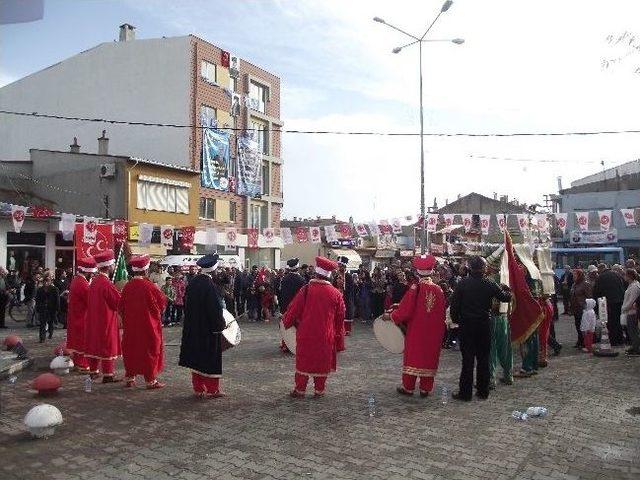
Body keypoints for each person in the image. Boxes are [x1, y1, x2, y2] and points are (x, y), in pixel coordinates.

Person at [450, 256, 512, 401]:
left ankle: (465, 393)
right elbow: (505, 298)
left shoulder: (462, 284)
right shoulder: (489, 283)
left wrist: (457, 321)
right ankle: (483, 391)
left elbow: (454, 306)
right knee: (483, 359)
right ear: (484, 268)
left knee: (467, 361)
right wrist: (507, 289)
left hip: (467, 325)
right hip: (484, 325)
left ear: (470, 268)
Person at [282, 256, 345, 398]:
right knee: (322, 361)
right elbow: (340, 318)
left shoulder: (306, 290)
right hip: (326, 334)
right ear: (329, 276)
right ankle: (319, 390)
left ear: (316, 273)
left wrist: (286, 322)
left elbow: (294, 310)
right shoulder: (336, 293)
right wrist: (338, 337)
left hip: (306, 333)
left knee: (304, 360)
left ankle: (300, 390)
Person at [387, 255, 446, 397]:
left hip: (417, 330)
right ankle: (426, 388)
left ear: (417, 272)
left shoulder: (415, 287)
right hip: (434, 331)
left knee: (413, 356)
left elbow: (406, 311)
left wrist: (391, 316)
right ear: (432, 271)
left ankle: (408, 387)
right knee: (429, 357)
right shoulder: (439, 290)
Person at [179, 254, 226, 398]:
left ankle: (198, 388)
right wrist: (220, 325)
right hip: (208, 330)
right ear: (213, 270)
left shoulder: (193, 282)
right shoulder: (210, 286)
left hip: (193, 327)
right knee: (210, 358)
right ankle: (213, 389)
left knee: (196, 359)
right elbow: (214, 309)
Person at [119, 255, 167, 389]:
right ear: (145, 270)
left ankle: (130, 376)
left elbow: (120, 306)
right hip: (148, 325)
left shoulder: (127, 286)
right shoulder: (150, 286)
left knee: (131, 349)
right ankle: (150, 380)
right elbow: (162, 303)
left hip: (131, 325)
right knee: (150, 349)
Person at [83, 249, 122, 382]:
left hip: (94, 318)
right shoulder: (106, 283)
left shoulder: (94, 282)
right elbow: (117, 302)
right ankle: (108, 374)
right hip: (106, 319)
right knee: (107, 346)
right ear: (109, 266)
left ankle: (93, 371)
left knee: (94, 344)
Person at [66, 257, 96, 372]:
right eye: (91, 274)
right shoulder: (83, 284)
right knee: (82, 341)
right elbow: (90, 300)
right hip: (82, 316)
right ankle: (82, 364)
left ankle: (79, 362)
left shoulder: (76, 280)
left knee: (78, 340)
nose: (92, 276)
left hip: (76, 315)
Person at [593, 263, 626, 346]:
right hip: (619, 301)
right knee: (618, 321)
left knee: (611, 322)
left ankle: (613, 340)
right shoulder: (617, 274)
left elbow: (597, 292)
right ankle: (620, 339)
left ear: (600, 269)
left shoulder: (601, 277)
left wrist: (597, 306)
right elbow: (623, 287)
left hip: (608, 303)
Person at [278, 258, 306, 353]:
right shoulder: (301, 280)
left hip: (285, 306)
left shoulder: (284, 279)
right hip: (297, 306)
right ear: (297, 268)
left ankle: (285, 345)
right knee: (296, 326)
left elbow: (280, 293)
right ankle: (296, 345)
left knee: (286, 325)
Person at [333, 256, 355, 335]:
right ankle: (338, 328)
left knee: (347, 312)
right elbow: (333, 286)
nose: (339, 267)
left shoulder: (349, 276)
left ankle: (347, 330)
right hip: (338, 297)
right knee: (338, 312)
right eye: (339, 266)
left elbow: (351, 287)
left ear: (344, 266)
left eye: (341, 266)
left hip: (346, 297)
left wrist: (344, 288)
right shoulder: (336, 276)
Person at [570, 269, 592, 349]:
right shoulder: (574, 285)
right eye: (573, 275)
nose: (573, 277)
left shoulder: (585, 284)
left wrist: (587, 307)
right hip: (575, 308)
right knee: (578, 325)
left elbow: (589, 296)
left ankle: (584, 342)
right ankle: (579, 340)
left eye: (575, 275)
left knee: (583, 326)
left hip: (583, 308)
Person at [35, 275, 60, 342]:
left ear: (50, 282)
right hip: (42, 308)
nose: (46, 283)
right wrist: (37, 308)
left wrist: (57, 309)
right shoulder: (40, 290)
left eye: (47, 281)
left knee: (50, 322)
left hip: (51, 308)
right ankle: (42, 338)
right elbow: (37, 299)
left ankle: (50, 332)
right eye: (44, 281)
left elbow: (57, 300)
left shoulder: (54, 289)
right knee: (42, 323)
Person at [621, 268, 640, 356]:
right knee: (631, 330)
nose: (624, 276)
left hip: (632, 312)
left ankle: (636, 349)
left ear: (629, 276)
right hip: (629, 311)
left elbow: (631, 300)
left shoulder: (634, 286)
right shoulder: (631, 285)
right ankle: (634, 346)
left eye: (625, 275)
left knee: (633, 331)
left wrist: (624, 308)